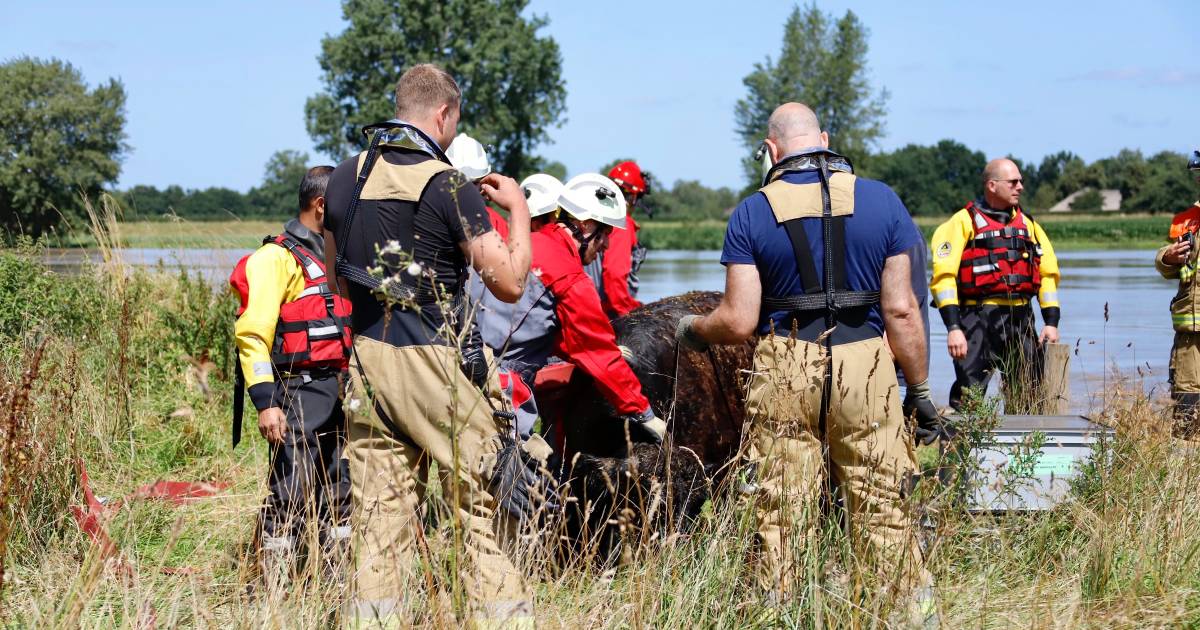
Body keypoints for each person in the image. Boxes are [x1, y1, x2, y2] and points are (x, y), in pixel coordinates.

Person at [674, 103, 941, 622]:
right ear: (825, 139)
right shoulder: (882, 200)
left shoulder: (752, 211)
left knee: (781, 508)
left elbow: (738, 320)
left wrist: (695, 330)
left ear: (770, 150)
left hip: (786, 363)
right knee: (883, 503)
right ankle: (911, 615)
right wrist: (921, 391)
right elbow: (903, 310)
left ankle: (780, 614)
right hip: (866, 363)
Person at [321, 63, 534, 627]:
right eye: (454, 121)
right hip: (438, 361)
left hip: (367, 361)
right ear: (443, 114)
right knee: (484, 506)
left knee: (378, 521)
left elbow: (338, 281)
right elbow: (510, 283)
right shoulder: (449, 184)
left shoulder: (343, 178)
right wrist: (518, 210)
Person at [475, 173, 665, 447]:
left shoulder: (524, 243)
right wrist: (643, 413)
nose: (607, 245)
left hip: (467, 369)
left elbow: (530, 322)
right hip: (504, 388)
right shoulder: (570, 276)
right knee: (510, 468)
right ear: (585, 225)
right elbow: (597, 352)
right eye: (605, 234)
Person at [230, 165, 353, 586]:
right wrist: (266, 403)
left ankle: (336, 583)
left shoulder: (335, 255)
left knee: (340, 490)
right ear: (321, 205)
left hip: (338, 391)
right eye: (344, 203)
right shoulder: (275, 259)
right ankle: (274, 589)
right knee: (289, 491)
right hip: (296, 393)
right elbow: (252, 335)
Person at [929, 158, 1061, 412]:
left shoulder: (1029, 225)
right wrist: (953, 328)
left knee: (1029, 394)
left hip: (1021, 319)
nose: (1020, 186)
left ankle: (1025, 438)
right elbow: (943, 278)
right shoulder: (962, 222)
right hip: (976, 319)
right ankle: (965, 437)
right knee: (970, 395)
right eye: (1013, 182)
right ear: (992, 185)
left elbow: (1047, 274)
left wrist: (1051, 322)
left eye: (1021, 181)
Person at [1155, 149, 1200, 438]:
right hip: (1189, 337)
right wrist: (1168, 258)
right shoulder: (1187, 219)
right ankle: (1186, 463)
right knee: (1187, 406)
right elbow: (1167, 262)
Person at [584, 160, 650, 318]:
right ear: (633, 197)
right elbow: (614, 276)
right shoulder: (622, 223)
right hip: (606, 314)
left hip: (588, 308)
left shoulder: (595, 219)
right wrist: (630, 314)